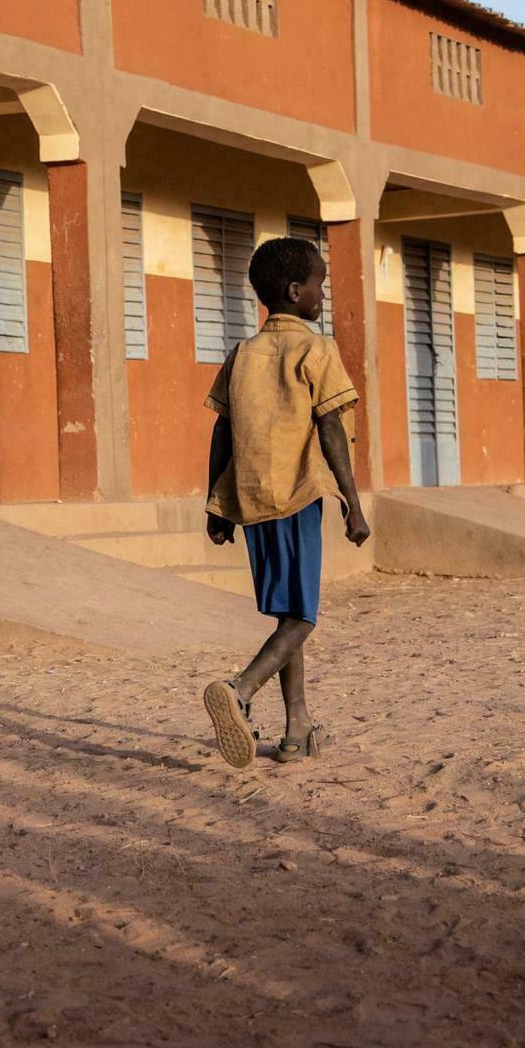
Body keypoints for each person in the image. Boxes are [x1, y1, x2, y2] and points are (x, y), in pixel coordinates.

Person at [199, 235, 370, 768]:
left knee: (289, 612)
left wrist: (216, 503)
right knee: (302, 619)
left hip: (251, 500)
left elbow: (221, 433)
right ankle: (241, 689)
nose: (324, 292)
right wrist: (353, 502)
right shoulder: (316, 350)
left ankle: (297, 730)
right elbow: (332, 431)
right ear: (297, 291)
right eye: (320, 282)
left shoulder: (243, 353)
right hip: (296, 496)